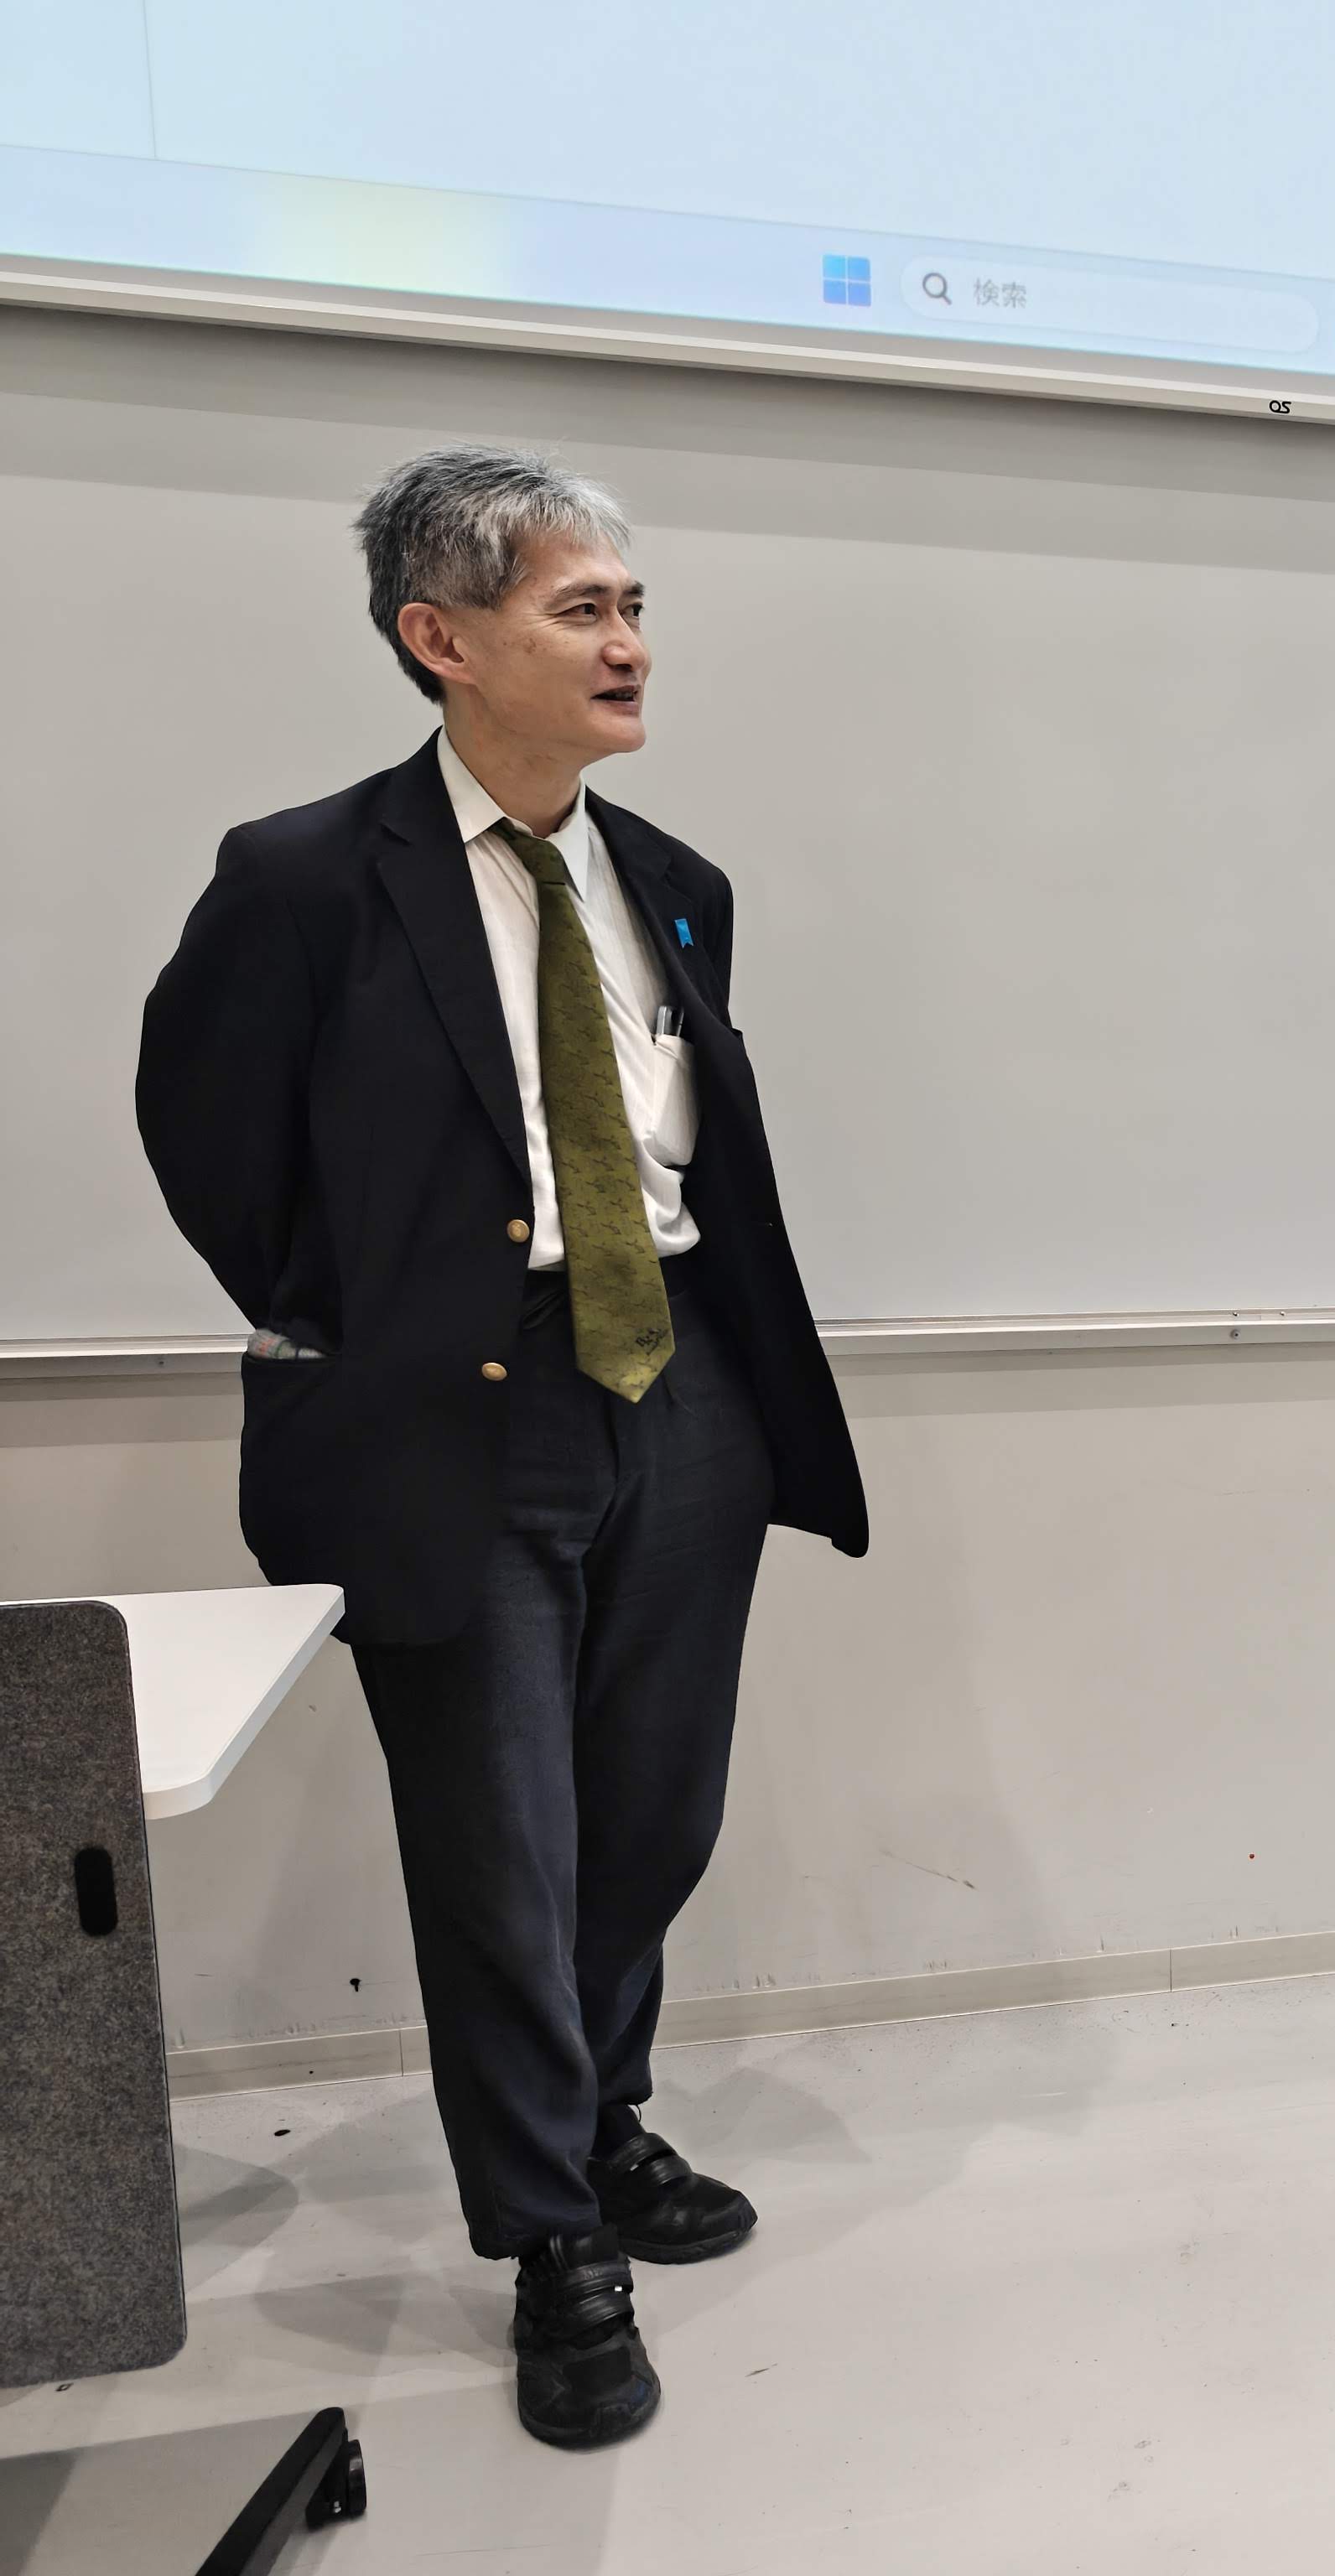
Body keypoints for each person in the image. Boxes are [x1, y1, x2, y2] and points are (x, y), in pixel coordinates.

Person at [136, 447, 867, 2443]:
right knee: (502, 1847)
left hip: (683, 1392)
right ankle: (553, 2240)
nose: (629, 645)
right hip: (453, 1416)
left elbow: (682, 1148)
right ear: (440, 640)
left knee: (647, 1816)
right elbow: (210, 1144)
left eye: (633, 608)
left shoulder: (678, 884)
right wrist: (367, 1325)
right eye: (582, 609)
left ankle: (601, 2114)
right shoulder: (305, 880)